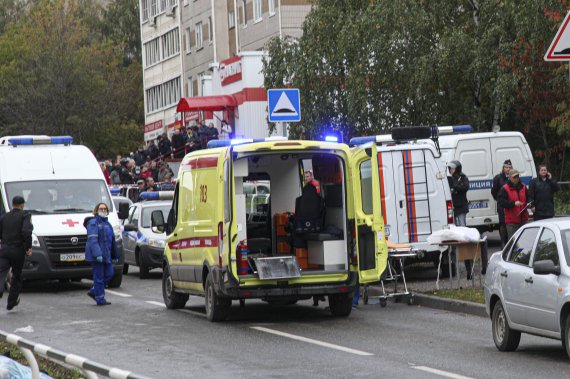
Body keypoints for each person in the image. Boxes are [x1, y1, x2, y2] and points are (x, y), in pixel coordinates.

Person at [0, 196, 33, 310]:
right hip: (17, 250)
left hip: (4, 248)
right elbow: (26, 232)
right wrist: (28, 247)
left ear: (12, 204)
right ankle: (11, 302)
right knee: (16, 275)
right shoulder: (25, 215)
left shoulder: (4, 216)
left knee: (1, 272)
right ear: (22, 205)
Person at [84, 203, 118, 306]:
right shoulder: (93, 223)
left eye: (105, 209)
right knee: (99, 277)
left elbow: (112, 241)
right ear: (96, 210)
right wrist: (97, 254)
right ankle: (100, 298)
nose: (103, 210)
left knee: (110, 273)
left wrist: (115, 255)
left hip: (106, 255)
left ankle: (95, 290)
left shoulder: (108, 224)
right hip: (97, 256)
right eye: (101, 209)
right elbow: (93, 240)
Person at [447, 160, 473, 278]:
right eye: (450, 168)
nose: (451, 170)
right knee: (452, 235)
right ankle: (452, 264)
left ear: (457, 168)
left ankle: (469, 268)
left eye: (453, 168)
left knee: (463, 232)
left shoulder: (462, 177)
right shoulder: (448, 178)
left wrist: (455, 187)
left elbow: (464, 187)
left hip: (461, 208)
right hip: (452, 209)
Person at [498, 169, 529, 239]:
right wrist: (513, 203)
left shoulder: (523, 186)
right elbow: (501, 202)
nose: (516, 178)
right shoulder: (505, 188)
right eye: (514, 177)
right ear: (510, 177)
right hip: (512, 221)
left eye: (517, 176)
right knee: (514, 243)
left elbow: (528, 197)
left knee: (524, 241)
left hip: (523, 219)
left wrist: (529, 204)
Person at [491, 159, 512, 247]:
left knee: (510, 224)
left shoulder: (513, 177)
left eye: (509, 167)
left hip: (511, 205)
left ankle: (511, 244)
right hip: (502, 205)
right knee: (502, 224)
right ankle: (503, 243)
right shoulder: (498, 178)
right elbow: (493, 191)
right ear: (503, 168)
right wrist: (499, 200)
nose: (507, 169)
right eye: (506, 167)